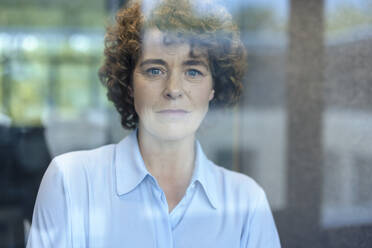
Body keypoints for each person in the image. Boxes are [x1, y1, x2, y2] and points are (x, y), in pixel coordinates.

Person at [26, 0, 281, 247]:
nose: (173, 90)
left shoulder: (247, 202)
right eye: (154, 70)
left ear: (213, 88)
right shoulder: (70, 182)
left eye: (193, 72)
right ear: (129, 85)